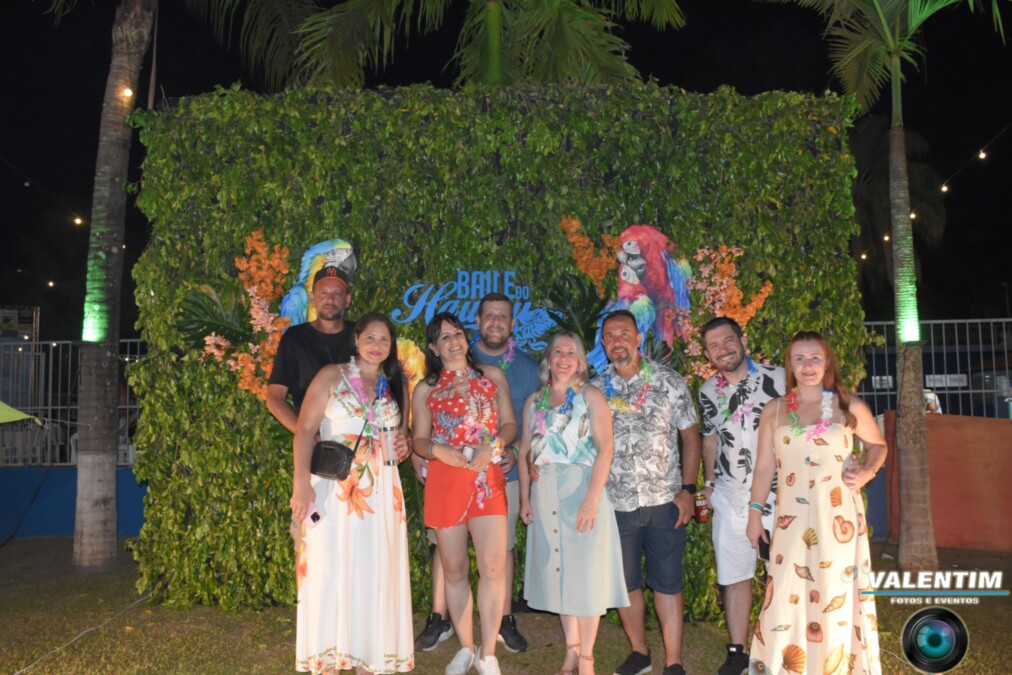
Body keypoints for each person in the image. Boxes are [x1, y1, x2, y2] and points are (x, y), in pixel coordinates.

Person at [746, 331, 886, 674]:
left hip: (838, 515)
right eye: (799, 359)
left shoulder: (848, 405)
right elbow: (763, 468)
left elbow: (878, 445)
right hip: (790, 519)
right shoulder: (774, 410)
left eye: (814, 358)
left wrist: (867, 471)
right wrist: (754, 514)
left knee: (835, 589)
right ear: (790, 365)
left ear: (827, 363)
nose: (807, 366)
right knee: (785, 589)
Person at [289, 312, 414, 674]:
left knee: (375, 572)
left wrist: (403, 445)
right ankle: (329, 658)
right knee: (329, 569)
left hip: (383, 493)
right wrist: (301, 485)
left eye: (384, 340)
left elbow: (400, 437)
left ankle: (368, 658)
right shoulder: (332, 375)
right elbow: (304, 430)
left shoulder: (395, 385)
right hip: (334, 490)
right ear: (356, 340)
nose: (377, 346)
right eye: (370, 338)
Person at [414, 292, 539, 654]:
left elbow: (511, 424)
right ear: (434, 347)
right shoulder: (426, 388)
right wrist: (437, 450)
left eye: (458, 334)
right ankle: (466, 648)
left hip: (487, 481)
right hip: (446, 481)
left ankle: (488, 654)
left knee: (493, 569)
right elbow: (419, 439)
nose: (454, 341)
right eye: (445, 337)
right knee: (453, 569)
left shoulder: (491, 375)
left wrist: (494, 447)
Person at [591, 309, 701, 675]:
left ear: (638, 338)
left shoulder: (668, 381)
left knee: (667, 583)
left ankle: (674, 661)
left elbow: (690, 435)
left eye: (624, 333)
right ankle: (640, 652)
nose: (617, 341)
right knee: (625, 584)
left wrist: (688, 490)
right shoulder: (594, 390)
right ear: (603, 343)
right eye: (609, 336)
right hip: (615, 503)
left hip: (664, 501)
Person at [518, 331, 629, 675]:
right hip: (545, 492)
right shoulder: (534, 401)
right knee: (559, 573)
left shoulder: (591, 397)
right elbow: (525, 450)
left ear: (581, 361)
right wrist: (524, 498)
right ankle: (571, 650)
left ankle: (587, 658)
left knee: (585, 575)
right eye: (558, 352)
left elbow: (606, 450)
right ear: (548, 358)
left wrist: (591, 500)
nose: (564, 358)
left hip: (582, 489)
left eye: (571, 353)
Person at [697, 317, 785, 675]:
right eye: (714, 345)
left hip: (780, 495)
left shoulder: (781, 379)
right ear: (707, 354)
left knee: (780, 573)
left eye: (728, 340)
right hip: (730, 497)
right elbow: (709, 438)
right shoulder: (707, 392)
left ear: (742, 340)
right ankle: (738, 652)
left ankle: (781, 644)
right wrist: (709, 482)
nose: (723, 349)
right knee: (734, 576)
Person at [267, 265, 355, 433]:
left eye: (337, 293)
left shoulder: (362, 336)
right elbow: (274, 397)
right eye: (323, 293)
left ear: (347, 300)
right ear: (312, 298)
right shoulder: (294, 338)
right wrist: (305, 434)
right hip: (315, 439)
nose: (330, 299)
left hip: (359, 437)